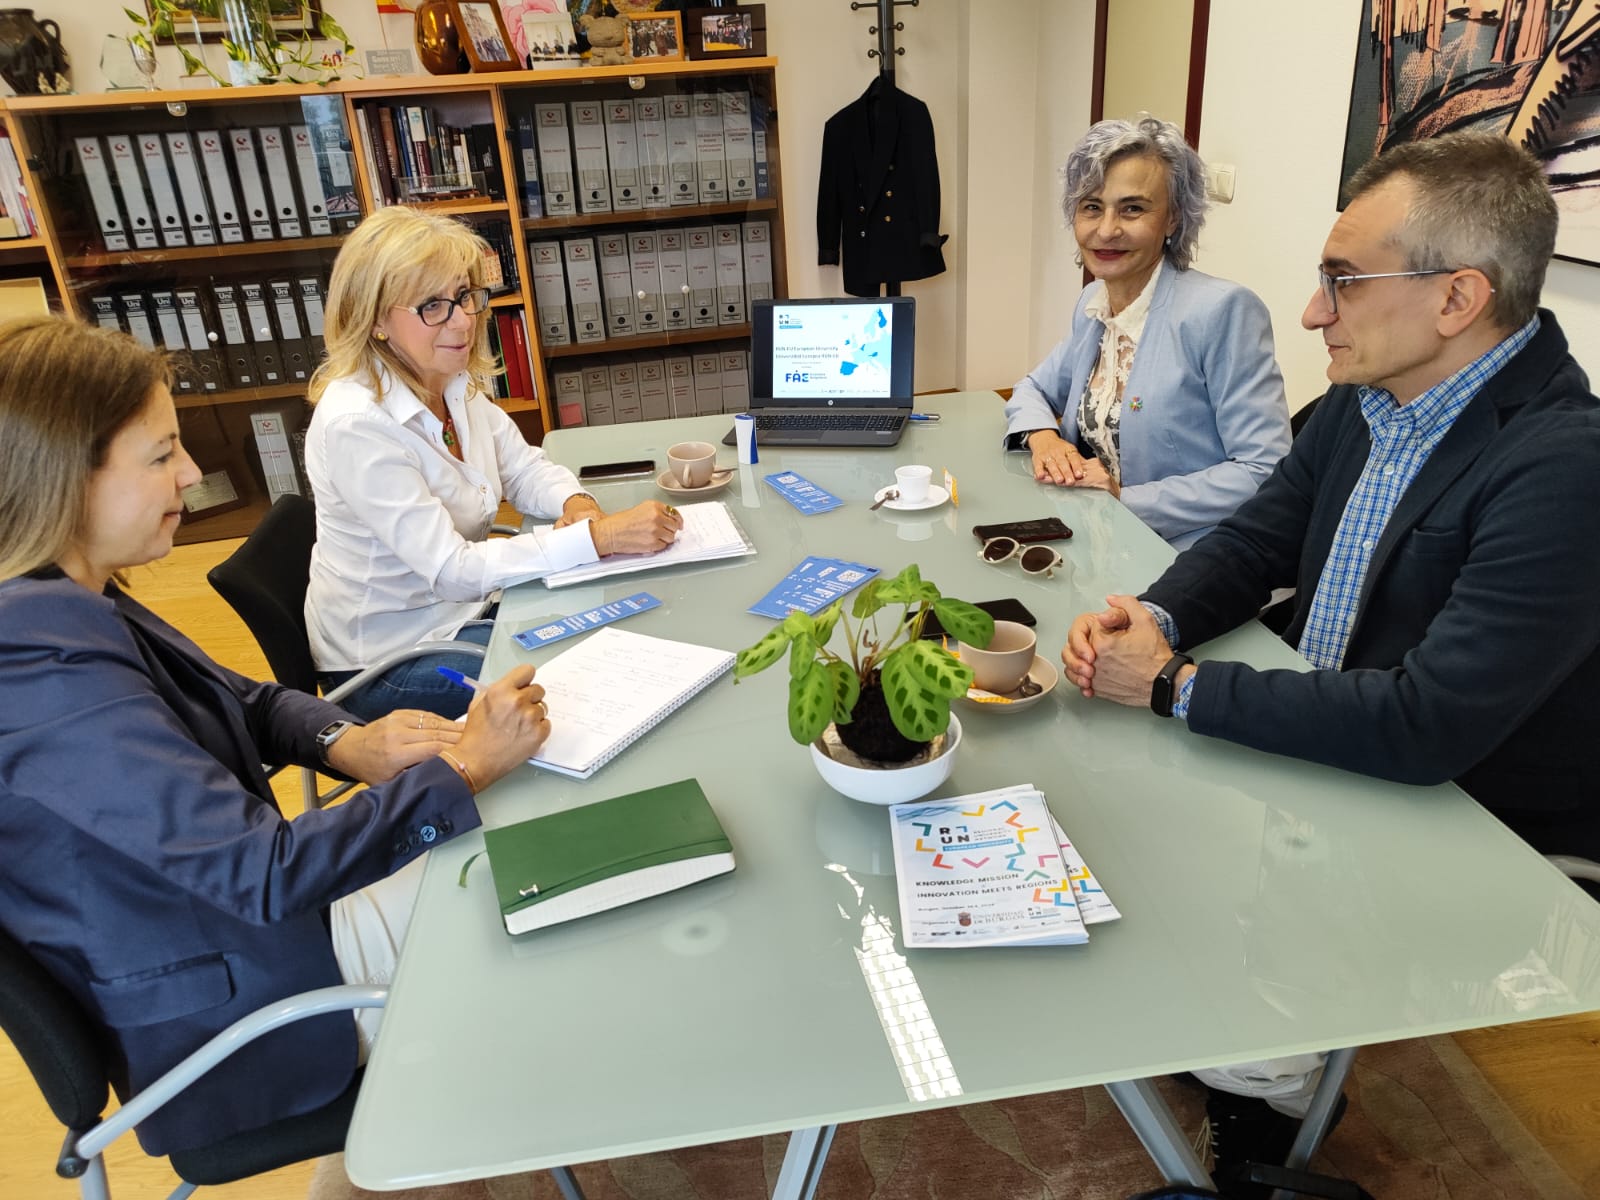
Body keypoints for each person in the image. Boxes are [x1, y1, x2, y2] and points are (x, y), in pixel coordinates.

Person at [1062, 130, 1600, 1188]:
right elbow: (1255, 538)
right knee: (1106, 851)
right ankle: (1262, 1066)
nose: (1313, 311)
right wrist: (1158, 618)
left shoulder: (1564, 467)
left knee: (1136, 965)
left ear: (1456, 299)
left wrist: (1175, 689)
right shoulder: (1365, 399)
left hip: (1472, 815)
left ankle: (1272, 1095)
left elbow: (1424, 726)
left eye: (1342, 283)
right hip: (1329, 746)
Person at [0, 316, 553, 1155]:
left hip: (249, 928)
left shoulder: (65, 594)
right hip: (248, 1005)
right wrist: (469, 769)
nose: (191, 472)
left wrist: (345, 743)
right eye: (160, 457)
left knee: (513, 834)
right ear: (60, 482)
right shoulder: (38, 665)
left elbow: (249, 701)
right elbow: (264, 872)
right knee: (539, 869)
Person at [304, 206, 682, 721]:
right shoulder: (358, 425)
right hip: (388, 661)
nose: (462, 319)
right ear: (375, 320)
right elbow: (451, 570)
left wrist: (578, 503)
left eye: (463, 296)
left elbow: (523, 468)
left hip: (462, 615)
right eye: (432, 305)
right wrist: (600, 539)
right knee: (586, 683)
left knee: (614, 625)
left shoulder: (448, 378)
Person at [1004, 115, 1291, 549]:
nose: (1106, 230)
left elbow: (1263, 466)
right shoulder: (1094, 304)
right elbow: (1032, 389)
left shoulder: (1221, 310)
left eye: (1133, 208)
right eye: (1092, 207)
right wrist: (1045, 439)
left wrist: (1125, 499)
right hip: (1093, 532)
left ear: (1173, 219)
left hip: (1185, 548)